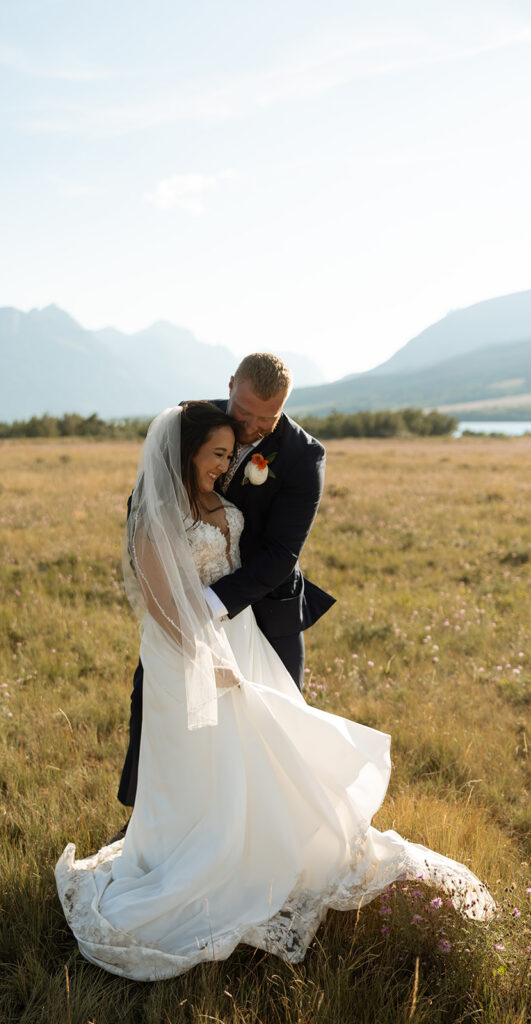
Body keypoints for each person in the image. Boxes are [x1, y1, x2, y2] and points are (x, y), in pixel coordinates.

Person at [55, 401, 494, 981]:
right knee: (198, 759)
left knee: (259, 749)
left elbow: (270, 553)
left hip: (242, 635)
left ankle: (263, 846)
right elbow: (162, 604)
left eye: (230, 455)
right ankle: (199, 856)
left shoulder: (240, 485)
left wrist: (227, 647)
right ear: (186, 453)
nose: (228, 462)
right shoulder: (154, 512)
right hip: (187, 651)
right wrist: (205, 660)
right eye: (216, 454)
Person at [116, 354, 336, 813]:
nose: (253, 427)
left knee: (274, 721)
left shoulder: (302, 456)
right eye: (244, 412)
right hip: (183, 600)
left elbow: (281, 555)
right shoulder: (192, 422)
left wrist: (208, 605)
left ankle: (273, 827)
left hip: (266, 605)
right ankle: (148, 820)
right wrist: (176, 605)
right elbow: (148, 503)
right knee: (158, 705)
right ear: (231, 384)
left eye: (267, 418)